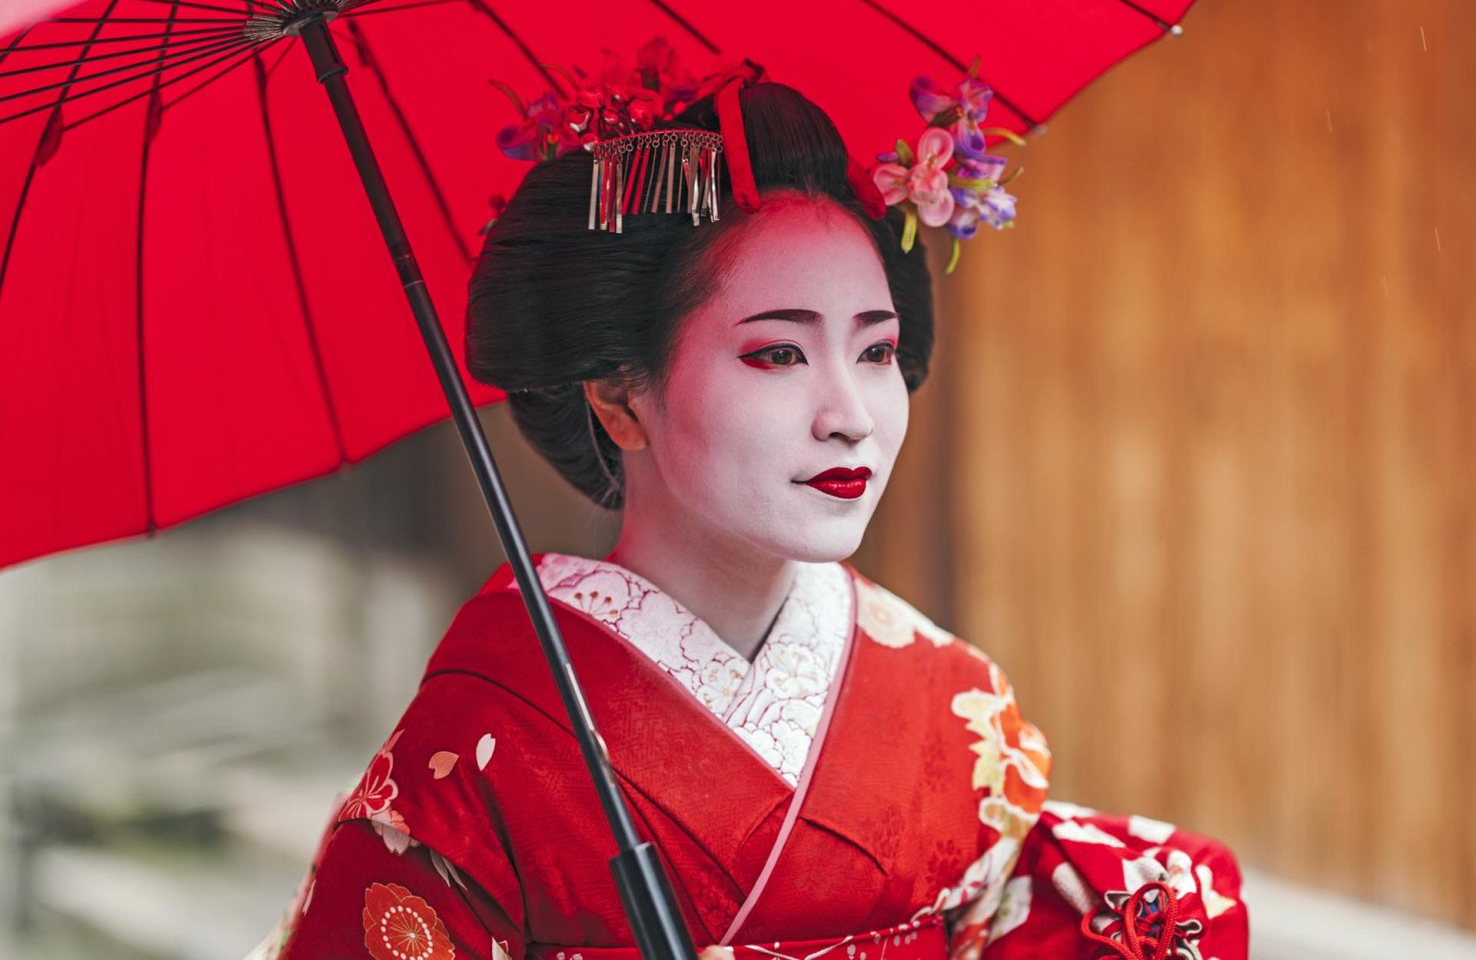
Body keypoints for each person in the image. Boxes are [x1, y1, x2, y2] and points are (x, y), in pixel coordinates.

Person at [253, 81, 1248, 960]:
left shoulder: (952, 699)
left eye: (874, 351)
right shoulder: (485, 741)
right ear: (618, 397)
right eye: (777, 355)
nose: (850, 414)